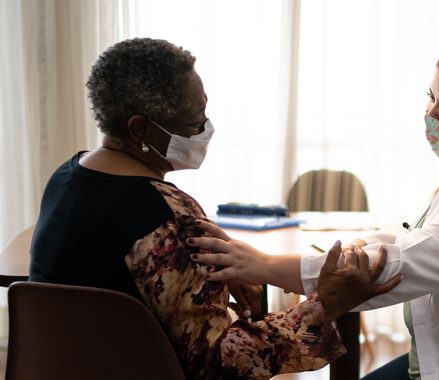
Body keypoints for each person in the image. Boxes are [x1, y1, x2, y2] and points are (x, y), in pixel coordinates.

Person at [189, 39, 439, 380]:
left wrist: (264, 265)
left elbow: (413, 262)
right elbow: (418, 239)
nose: (431, 115)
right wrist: (351, 248)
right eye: (431, 99)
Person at [29, 38, 401, 380]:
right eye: (194, 121)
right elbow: (217, 365)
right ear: (140, 129)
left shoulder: (67, 177)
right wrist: (326, 305)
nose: (205, 129)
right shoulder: (168, 220)